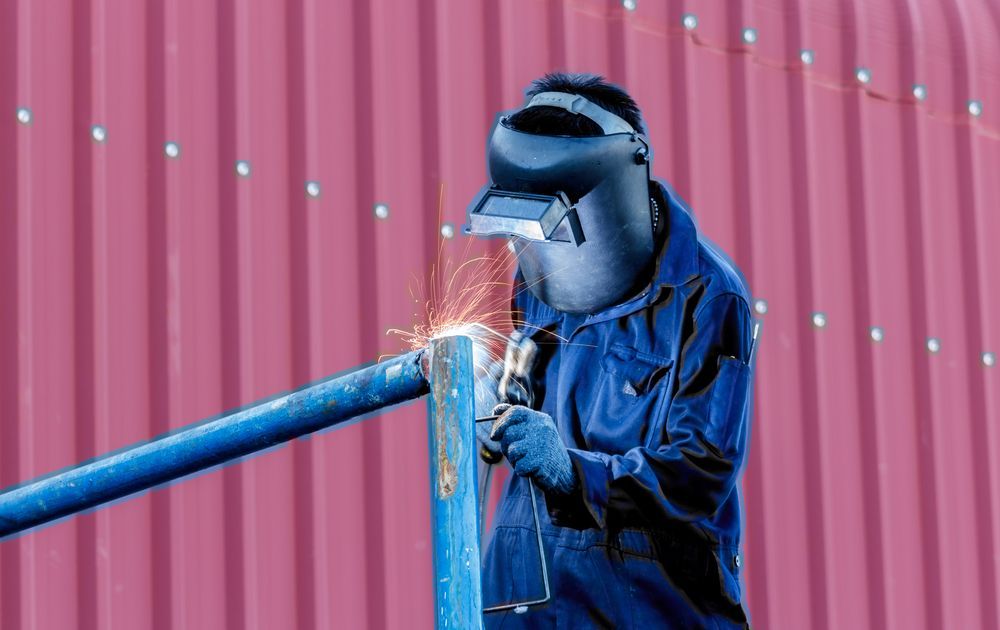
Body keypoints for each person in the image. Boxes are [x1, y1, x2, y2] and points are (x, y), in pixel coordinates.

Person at [467, 72, 756, 628]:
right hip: (529, 596)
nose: (534, 247)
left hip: (647, 604)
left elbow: (700, 470)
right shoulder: (542, 268)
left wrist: (573, 471)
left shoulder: (708, 295)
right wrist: (495, 403)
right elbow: (532, 381)